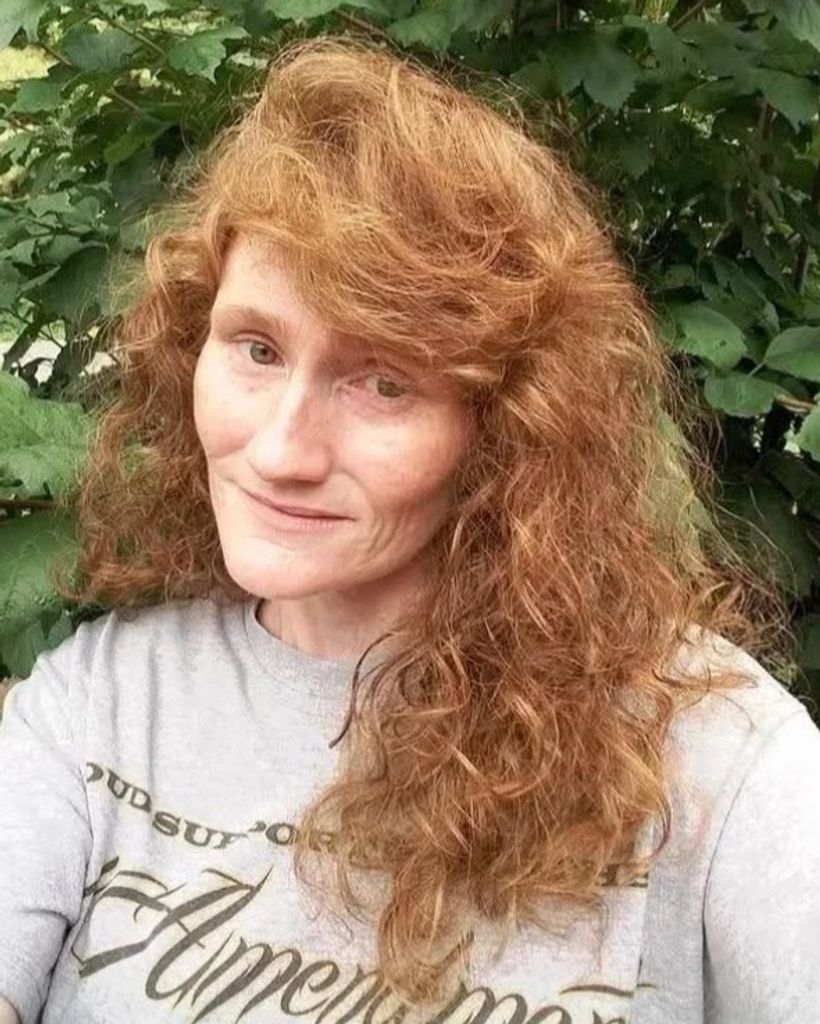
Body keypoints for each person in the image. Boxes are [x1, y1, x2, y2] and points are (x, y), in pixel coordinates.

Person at [0, 32, 819, 1024]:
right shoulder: (99, 707)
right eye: (256, 348)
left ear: (506, 428)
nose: (280, 449)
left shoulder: (713, 758)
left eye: (383, 382)